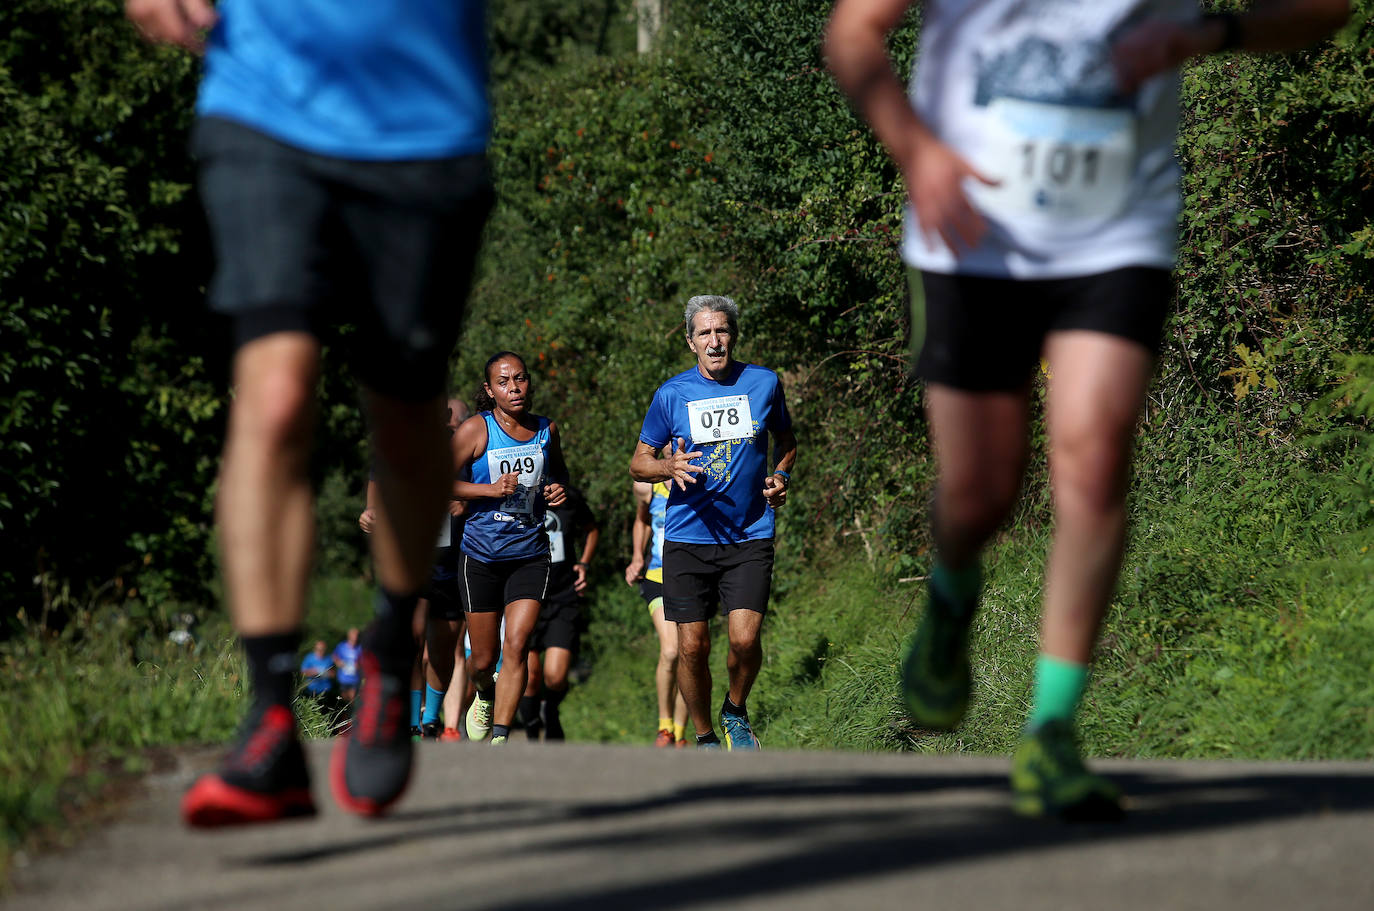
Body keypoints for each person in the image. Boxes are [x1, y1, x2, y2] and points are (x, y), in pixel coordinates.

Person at [823, 0, 1350, 819]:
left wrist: (1208, 33)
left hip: (1116, 232)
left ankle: (1053, 729)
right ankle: (951, 591)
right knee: (980, 491)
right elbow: (853, 31)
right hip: (970, 232)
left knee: (1096, 458)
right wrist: (914, 149)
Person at [129, 0, 497, 825]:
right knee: (275, 390)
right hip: (262, 96)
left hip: (423, 115)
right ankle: (267, 720)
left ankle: (391, 655)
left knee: (406, 414)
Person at [629, 295, 797, 750]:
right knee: (691, 647)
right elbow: (638, 463)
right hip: (687, 537)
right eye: (704, 333)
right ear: (691, 342)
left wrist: (780, 475)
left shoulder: (763, 383)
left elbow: (786, 440)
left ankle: (735, 712)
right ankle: (703, 735)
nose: (715, 340)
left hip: (750, 532)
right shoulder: (671, 394)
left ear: (733, 336)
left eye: (722, 330)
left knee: (744, 641)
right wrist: (667, 468)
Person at [453, 352, 569, 746]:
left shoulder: (546, 430)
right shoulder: (475, 430)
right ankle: (484, 693)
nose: (514, 388)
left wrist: (556, 489)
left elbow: (558, 477)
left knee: (517, 646)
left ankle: (501, 738)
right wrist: (489, 490)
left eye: (520, 379)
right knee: (484, 660)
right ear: (490, 390)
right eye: (503, 382)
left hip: (530, 554)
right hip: (481, 556)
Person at [522, 484, 600, 741]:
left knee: (555, 676)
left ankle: (551, 710)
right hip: (527, 597)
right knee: (530, 677)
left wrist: (584, 564)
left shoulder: (569, 496)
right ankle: (532, 726)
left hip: (563, 596)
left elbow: (591, 530)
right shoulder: (517, 495)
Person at [626, 477, 689, 747]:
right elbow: (642, 520)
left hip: (691, 580)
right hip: (657, 579)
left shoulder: (701, 481)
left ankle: (680, 731)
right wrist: (637, 556)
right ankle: (664, 727)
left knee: (690, 654)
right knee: (671, 650)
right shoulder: (647, 487)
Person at [332, 628, 361, 707]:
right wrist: (338, 662)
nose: (356, 637)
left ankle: (351, 717)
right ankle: (344, 716)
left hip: (355, 679)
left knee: (353, 699)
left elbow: (363, 661)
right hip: (343, 678)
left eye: (357, 635)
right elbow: (334, 656)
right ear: (349, 636)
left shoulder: (359, 648)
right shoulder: (341, 646)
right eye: (354, 635)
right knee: (343, 700)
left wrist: (359, 665)